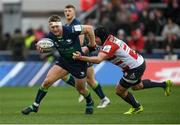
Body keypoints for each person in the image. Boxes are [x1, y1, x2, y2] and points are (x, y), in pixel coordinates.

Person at [73, 26, 173, 115]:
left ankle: (137, 107)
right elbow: (91, 47)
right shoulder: (106, 40)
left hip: (135, 68)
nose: (95, 40)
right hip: (137, 63)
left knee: (119, 90)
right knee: (137, 86)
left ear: (101, 37)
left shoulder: (110, 45)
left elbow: (98, 59)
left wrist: (81, 57)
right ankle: (164, 84)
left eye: (96, 37)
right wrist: (78, 50)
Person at [21, 15, 96, 115]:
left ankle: (89, 101)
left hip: (78, 62)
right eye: (52, 27)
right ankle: (35, 106)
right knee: (47, 82)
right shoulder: (51, 36)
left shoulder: (71, 30)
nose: (55, 29)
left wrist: (92, 45)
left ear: (61, 25)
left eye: (57, 27)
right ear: (50, 27)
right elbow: (50, 46)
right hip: (64, 62)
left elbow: (89, 29)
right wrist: (42, 49)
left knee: (81, 89)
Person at [61, 4, 110, 108]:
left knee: (90, 79)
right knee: (64, 76)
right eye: (65, 11)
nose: (67, 13)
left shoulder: (77, 24)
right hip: (73, 56)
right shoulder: (66, 26)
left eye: (69, 10)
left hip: (82, 55)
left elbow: (81, 41)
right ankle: (82, 89)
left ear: (74, 12)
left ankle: (103, 99)